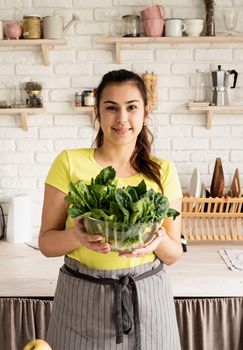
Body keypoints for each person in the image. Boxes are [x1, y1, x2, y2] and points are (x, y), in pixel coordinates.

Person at [39, 69, 183, 350]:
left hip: (148, 297)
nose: (122, 119)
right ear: (97, 112)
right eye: (111, 108)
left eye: (131, 107)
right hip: (82, 298)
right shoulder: (68, 162)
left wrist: (158, 240)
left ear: (146, 111)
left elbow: (174, 253)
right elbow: (46, 242)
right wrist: (76, 237)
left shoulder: (163, 171)